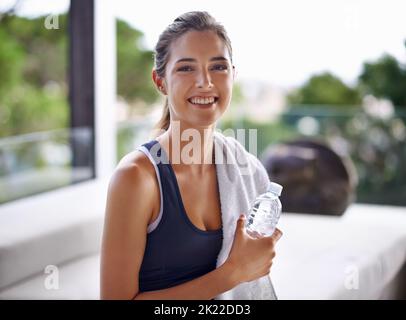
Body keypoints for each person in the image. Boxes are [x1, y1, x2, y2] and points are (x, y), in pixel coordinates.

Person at [100, 11, 282, 300]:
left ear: (233, 75)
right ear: (160, 81)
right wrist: (231, 274)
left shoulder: (246, 169)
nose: (205, 82)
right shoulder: (136, 178)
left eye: (218, 67)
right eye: (186, 68)